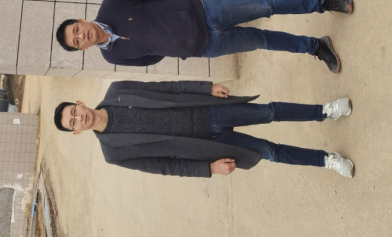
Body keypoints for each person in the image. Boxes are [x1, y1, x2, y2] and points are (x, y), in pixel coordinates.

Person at [53, 80, 354, 178]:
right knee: (269, 152)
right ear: (77, 132)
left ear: (80, 103)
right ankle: (326, 160)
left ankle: (324, 112)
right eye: (72, 123)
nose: (79, 118)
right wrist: (208, 168)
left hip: (207, 109)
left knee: (269, 112)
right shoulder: (113, 152)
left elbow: (166, 89)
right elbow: (164, 167)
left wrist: (204, 88)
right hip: (208, 143)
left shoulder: (117, 90)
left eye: (74, 112)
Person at [56, 0, 354, 72]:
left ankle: (323, 3)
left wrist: (178, 12)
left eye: (76, 30)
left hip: (205, 11)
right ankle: (316, 46)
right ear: (81, 49)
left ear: (80, 20)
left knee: (264, 7)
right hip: (205, 47)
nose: (81, 36)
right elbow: (150, 58)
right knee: (262, 40)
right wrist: (176, 43)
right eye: (76, 41)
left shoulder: (112, 4)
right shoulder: (111, 56)